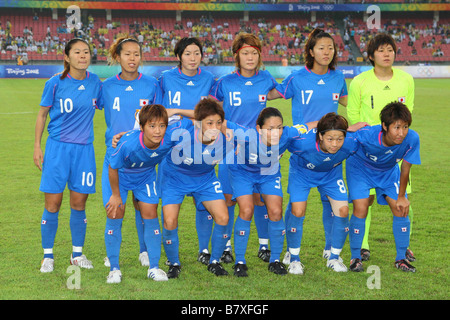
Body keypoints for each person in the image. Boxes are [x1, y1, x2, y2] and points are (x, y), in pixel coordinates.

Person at [268, 28, 348, 263]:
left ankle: (331, 250)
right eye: (321, 47)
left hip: (331, 150)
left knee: (333, 204)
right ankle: (290, 251)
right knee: (297, 208)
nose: (327, 52)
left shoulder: (338, 77)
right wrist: (249, 80)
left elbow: (348, 102)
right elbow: (273, 93)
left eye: (330, 47)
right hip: (304, 151)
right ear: (311, 51)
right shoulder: (297, 77)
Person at [209, 32, 279, 264]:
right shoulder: (224, 83)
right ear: (236, 56)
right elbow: (213, 112)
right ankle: (227, 246)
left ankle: (263, 245)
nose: (250, 57)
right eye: (245, 53)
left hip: (261, 150)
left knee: (259, 198)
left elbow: (279, 94)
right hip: (231, 149)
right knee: (229, 198)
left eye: (254, 53)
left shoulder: (266, 78)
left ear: (259, 56)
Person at [34, 38, 101, 273]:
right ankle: (48, 256)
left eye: (86, 52)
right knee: (53, 203)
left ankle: (77, 254)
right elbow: (42, 115)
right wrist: (37, 146)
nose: (83, 56)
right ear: (67, 57)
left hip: (84, 151)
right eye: (77, 52)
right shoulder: (54, 83)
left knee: (79, 203)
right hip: (57, 149)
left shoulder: (96, 82)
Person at [347, 33, 415, 262]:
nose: (387, 54)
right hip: (366, 150)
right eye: (381, 50)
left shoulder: (406, 80)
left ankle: (404, 247)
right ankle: (363, 245)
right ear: (370, 55)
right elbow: (353, 116)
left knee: (403, 198)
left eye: (390, 50)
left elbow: (408, 114)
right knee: (364, 201)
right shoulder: (360, 81)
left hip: (394, 150)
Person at [104, 104, 190, 283]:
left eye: (162, 126)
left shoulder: (171, 136)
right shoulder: (128, 143)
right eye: (152, 126)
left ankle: (154, 267)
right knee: (115, 212)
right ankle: (114, 269)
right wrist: (116, 195)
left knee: (151, 214)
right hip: (119, 174)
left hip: (145, 175)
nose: (157, 131)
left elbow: (203, 117)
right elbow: (113, 167)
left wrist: (177, 111)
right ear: (141, 127)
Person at [226, 107, 314, 277]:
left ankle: (275, 260)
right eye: (270, 129)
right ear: (258, 129)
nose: (276, 132)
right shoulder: (245, 134)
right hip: (242, 173)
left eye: (279, 127)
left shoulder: (287, 134)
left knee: (275, 211)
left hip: (269, 174)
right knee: (246, 210)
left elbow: (310, 125)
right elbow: (218, 121)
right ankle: (240, 262)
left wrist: (341, 127)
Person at [99, 36, 162, 269]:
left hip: (143, 157)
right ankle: (112, 255)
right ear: (118, 56)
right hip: (116, 156)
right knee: (115, 208)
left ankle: (144, 251)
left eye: (136, 54)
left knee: (144, 205)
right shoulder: (106, 86)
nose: (132, 58)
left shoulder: (151, 84)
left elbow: (159, 118)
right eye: (127, 54)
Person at [284, 113, 367, 275]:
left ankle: (334, 257)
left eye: (339, 139)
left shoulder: (350, 143)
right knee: (298, 210)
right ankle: (293, 258)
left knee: (343, 211)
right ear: (320, 135)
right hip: (302, 174)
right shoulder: (302, 143)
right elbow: (282, 141)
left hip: (331, 175)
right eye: (330, 139)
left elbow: (373, 138)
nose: (335, 144)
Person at [158, 37, 216, 265]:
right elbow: (159, 110)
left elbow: (212, 113)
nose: (193, 58)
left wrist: (180, 111)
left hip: (204, 146)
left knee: (203, 201)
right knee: (171, 203)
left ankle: (204, 249)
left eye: (197, 53)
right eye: (188, 54)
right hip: (172, 148)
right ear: (179, 56)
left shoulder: (209, 79)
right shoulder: (165, 78)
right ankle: (170, 256)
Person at [160, 98, 232, 278]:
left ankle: (214, 261)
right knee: (169, 221)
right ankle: (174, 263)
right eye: (209, 123)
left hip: (205, 180)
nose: (214, 127)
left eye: (218, 123)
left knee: (223, 217)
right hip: (175, 179)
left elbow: (260, 135)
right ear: (197, 123)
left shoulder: (227, 137)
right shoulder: (179, 132)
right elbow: (149, 135)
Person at [346, 102, 420, 273]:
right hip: (360, 170)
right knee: (361, 207)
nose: (401, 133)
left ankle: (401, 258)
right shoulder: (366, 135)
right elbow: (339, 137)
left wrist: (401, 196)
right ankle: (355, 257)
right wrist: (350, 128)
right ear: (384, 126)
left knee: (400, 208)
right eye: (396, 127)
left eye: (405, 127)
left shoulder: (412, 139)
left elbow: (406, 168)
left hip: (387, 172)